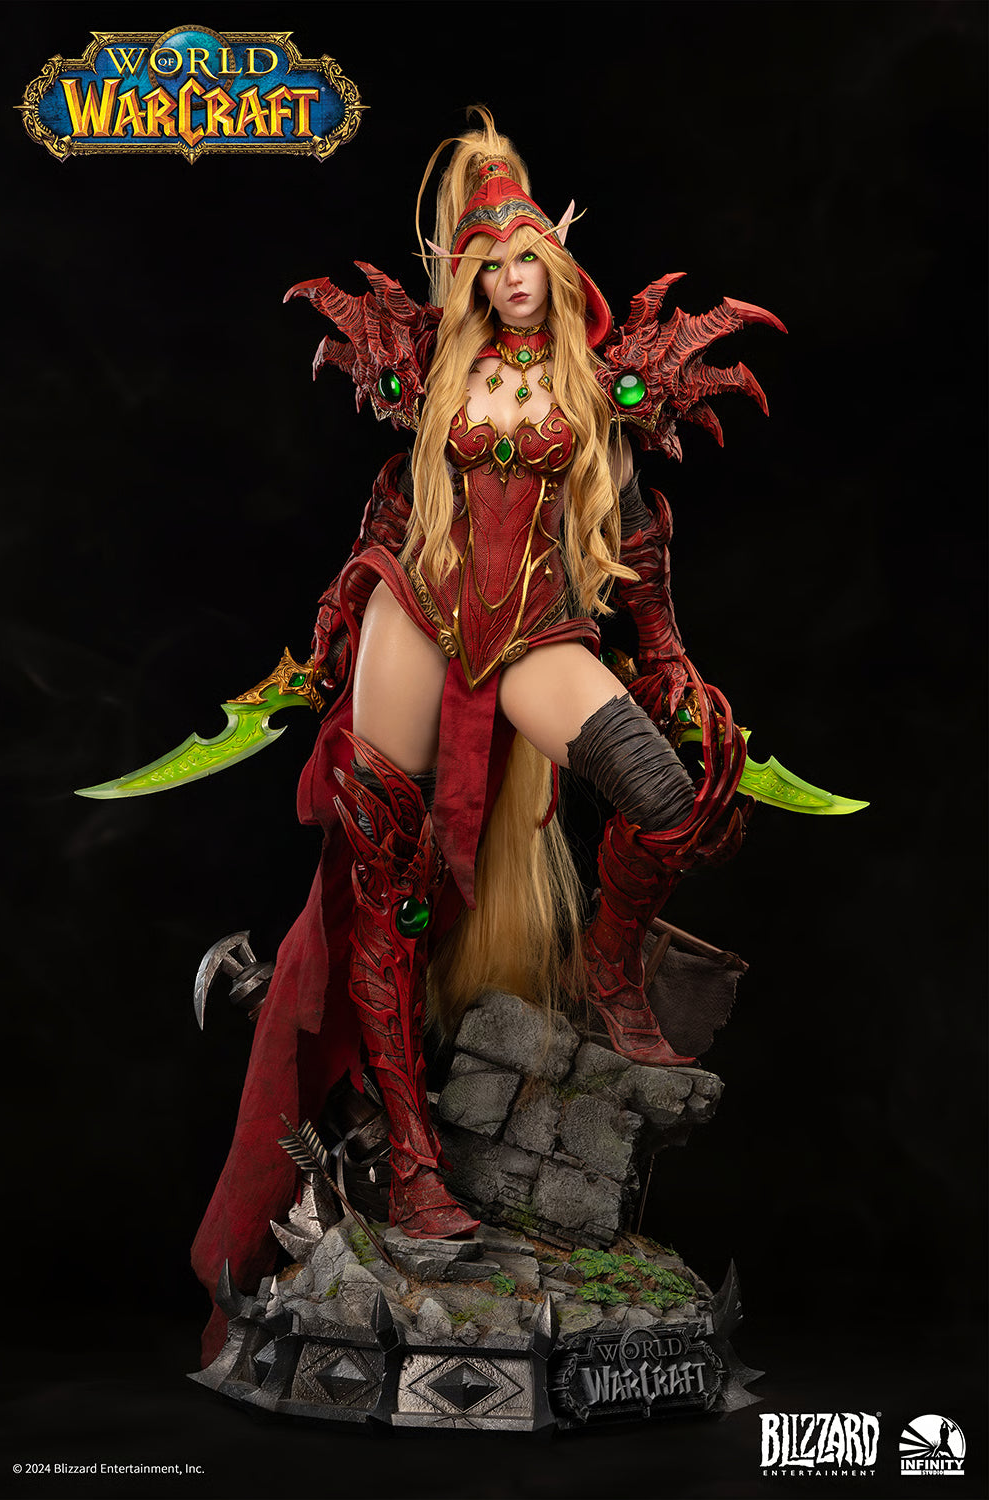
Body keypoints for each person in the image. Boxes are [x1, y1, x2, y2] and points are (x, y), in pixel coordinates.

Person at [192, 110, 764, 1363]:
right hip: (419, 607)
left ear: (554, 265)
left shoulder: (598, 383)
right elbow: (393, 501)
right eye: (490, 264)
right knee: (382, 872)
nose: (511, 281)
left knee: (667, 801)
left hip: (534, 631)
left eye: (526, 262)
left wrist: (665, 650)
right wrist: (339, 610)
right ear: (469, 275)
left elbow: (638, 527)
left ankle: (606, 970)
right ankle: (410, 1160)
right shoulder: (433, 373)